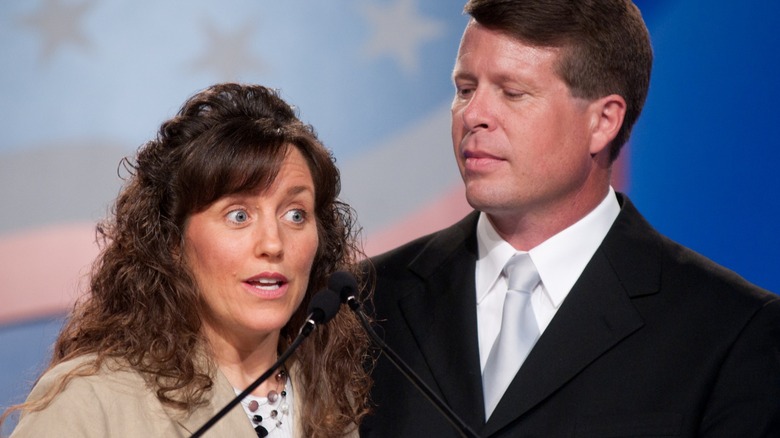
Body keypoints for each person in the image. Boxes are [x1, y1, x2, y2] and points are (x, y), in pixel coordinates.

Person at [360, 0, 780, 437]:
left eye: (512, 92)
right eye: (465, 88)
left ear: (603, 122)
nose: (473, 115)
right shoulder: (365, 305)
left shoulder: (732, 332)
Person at [2, 83, 371, 437]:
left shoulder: (332, 402)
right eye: (238, 216)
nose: (273, 244)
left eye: (295, 214)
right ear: (173, 241)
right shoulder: (93, 403)